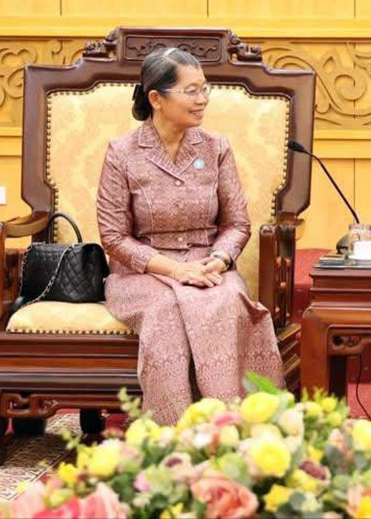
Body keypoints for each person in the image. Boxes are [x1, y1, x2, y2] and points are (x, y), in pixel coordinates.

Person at [96, 47, 284, 425]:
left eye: (204, 89)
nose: (202, 100)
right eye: (191, 91)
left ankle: (236, 427)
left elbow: (237, 224)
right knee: (165, 311)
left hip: (208, 263)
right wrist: (175, 271)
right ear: (156, 98)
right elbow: (114, 237)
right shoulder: (123, 153)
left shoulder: (216, 147)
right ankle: (174, 433)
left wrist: (220, 259)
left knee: (228, 299)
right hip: (144, 272)